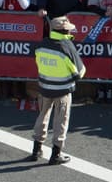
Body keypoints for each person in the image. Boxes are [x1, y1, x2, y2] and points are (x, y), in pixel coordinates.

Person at [30, 14, 86, 166]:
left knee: (42, 116)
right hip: (62, 90)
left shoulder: (41, 44)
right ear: (66, 31)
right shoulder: (67, 46)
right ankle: (56, 154)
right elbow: (80, 72)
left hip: (44, 88)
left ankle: (36, 150)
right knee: (61, 121)